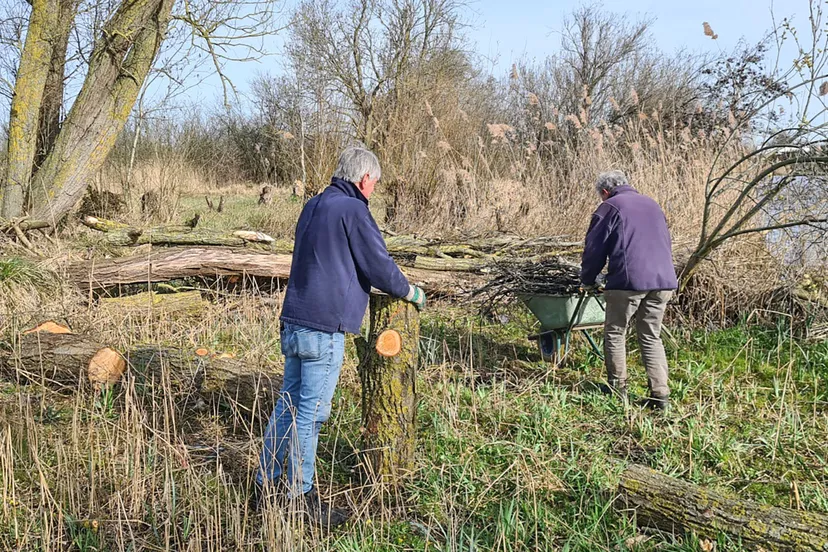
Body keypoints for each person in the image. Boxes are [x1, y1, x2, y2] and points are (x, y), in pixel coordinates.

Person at [254, 147, 426, 526]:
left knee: (287, 405)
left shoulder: (314, 205)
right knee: (311, 415)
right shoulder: (353, 210)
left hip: (295, 320)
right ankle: (300, 497)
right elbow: (378, 264)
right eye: (375, 184)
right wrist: (409, 291)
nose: (374, 190)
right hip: (324, 327)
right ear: (365, 179)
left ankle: (265, 484)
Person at [580, 170, 678, 411]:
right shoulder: (652, 204)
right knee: (650, 334)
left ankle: (617, 387)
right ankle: (660, 394)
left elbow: (594, 249)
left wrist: (588, 279)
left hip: (628, 281)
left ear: (605, 192)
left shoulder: (610, 207)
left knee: (615, 331)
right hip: (664, 280)